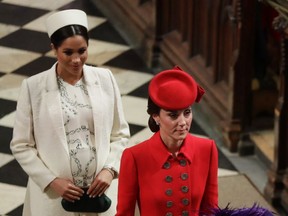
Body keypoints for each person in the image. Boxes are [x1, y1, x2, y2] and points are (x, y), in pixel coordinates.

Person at [10, 9, 130, 216]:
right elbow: (21, 145)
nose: (76, 59)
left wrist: (110, 170)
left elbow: (120, 134)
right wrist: (51, 181)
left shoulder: (105, 79)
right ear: (54, 49)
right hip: (54, 199)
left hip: (101, 193)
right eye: (68, 52)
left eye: (82, 51)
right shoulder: (33, 88)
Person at [116, 66, 218, 216]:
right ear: (156, 116)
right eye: (173, 115)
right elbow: (124, 214)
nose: (183, 122)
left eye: (187, 112)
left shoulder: (207, 149)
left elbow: (211, 210)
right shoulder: (135, 157)